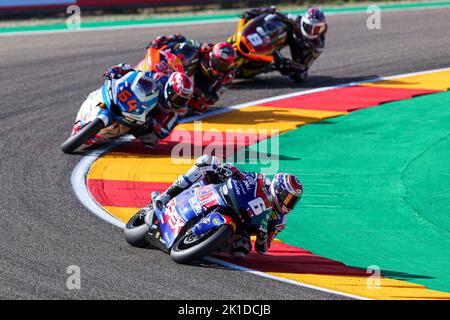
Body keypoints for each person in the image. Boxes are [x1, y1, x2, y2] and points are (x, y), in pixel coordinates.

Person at [152, 155, 303, 258]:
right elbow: (242, 175)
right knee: (206, 161)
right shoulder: (262, 181)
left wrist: (262, 236)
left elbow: (262, 249)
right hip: (227, 197)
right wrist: (230, 170)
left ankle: (207, 245)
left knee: (242, 250)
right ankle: (167, 195)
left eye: (293, 200)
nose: (289, 203)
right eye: (288, 198)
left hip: (241, 226)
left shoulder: (280, 221)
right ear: (279, 189)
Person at [138, 34, 236, 114]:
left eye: (224, 66)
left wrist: (197, 94)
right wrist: (161, 41)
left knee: (198, 106)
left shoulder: (224, 75)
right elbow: (179, 38)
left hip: (172, 88)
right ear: (210, 56)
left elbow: (207, 102)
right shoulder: (192, 51)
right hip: (158, 69)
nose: (219, 67)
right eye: (217, 62)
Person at [103, 63, 193, 147]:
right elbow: (137, 74)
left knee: (151, 139)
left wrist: (154, 124)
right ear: (170, 90)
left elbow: (165, 131)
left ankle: (117, 133)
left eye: (183, 100)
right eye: (177, 98)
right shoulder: (159, 78)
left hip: (147, 122)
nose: (179, 102)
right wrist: (119, 70)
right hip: (136, 105)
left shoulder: (181, 110)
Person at [240, 6, 327, 82]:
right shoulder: (296, 19)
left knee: (300, 76)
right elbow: (275, 12)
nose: (312, 32)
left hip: (300, 48)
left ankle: (271, 65)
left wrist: (288, 63)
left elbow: (305, 66)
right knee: (275, 21)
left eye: (317, 29)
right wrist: (257, 11)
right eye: (309, 27)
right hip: (288, 37)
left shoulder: (318, 44)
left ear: (322, 28)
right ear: (303, 21)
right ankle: (265, 46)